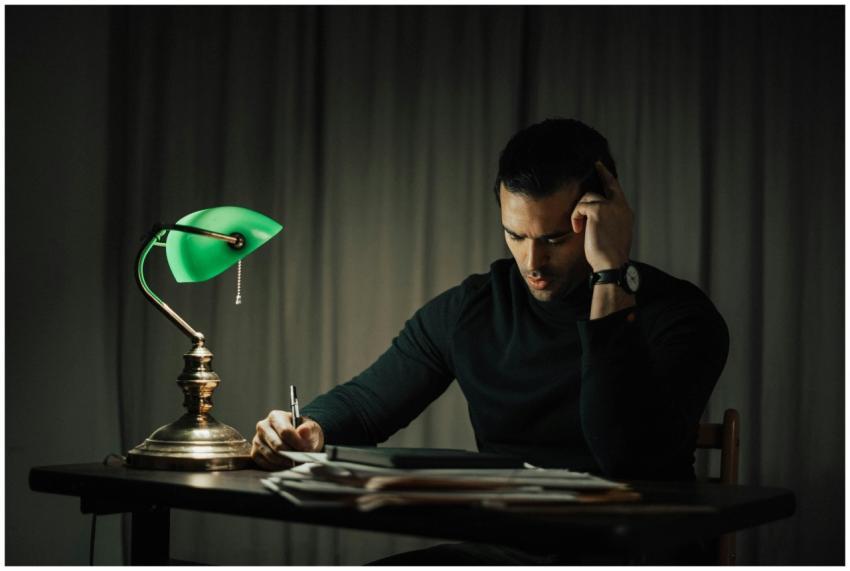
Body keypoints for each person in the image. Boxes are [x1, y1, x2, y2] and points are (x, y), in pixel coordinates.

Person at [251, 118, 730, 564]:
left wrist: (610, 275)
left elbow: (628, 455)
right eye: (515, 235)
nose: (532, 262)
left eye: (555, 239)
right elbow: (365, 405)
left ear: (607, 215)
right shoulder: (474, 309)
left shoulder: (681, 317)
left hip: (638, 554)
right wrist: (308, 428)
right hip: (510, 552)